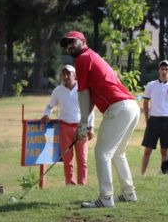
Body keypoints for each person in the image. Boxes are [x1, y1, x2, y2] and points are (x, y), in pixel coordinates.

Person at [60, 31, 140, 208]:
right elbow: (88, 96)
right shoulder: (91, 56)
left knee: (102, 153)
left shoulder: (82, 59)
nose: (69, 46)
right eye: (66, 44)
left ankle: (106, 198)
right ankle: (129, 194)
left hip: (119, 108)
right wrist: (85, 123)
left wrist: (82, 123)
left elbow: (82, 94)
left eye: (72, 42)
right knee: (118, 153)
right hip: (131, 107)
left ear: (83, 41)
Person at [41, 64, 94, 185]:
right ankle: (70, 183)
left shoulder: (82, 89)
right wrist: (46, 114)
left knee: (82, 159)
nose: (65, 76)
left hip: (81, 127)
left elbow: (89, 109)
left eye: (68, 73)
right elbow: (50, 106)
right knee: (67, 159)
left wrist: (91, 127)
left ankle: (82, 184)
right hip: (64, 127)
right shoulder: (58, 91)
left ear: (74, 75)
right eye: (63, 74)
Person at [141, 60, 168, 175]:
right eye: (162, 69)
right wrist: (147, 119)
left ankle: (164, 173)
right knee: (148, 150)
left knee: (164, 151)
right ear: (159, 70)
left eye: (166, 69)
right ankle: (142, 174)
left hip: (167, 121)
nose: (164, 71)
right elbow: (145, 103)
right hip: (153, 120)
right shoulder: (151, 85)